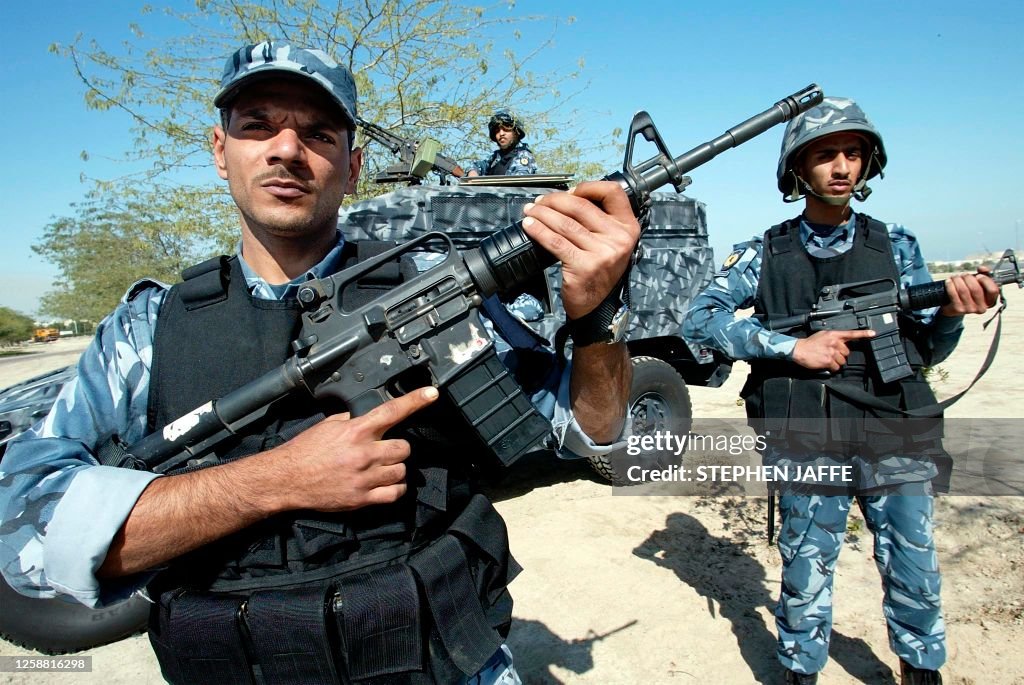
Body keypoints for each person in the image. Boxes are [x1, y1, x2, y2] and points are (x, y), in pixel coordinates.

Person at [0, 41, 639, 685]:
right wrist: (275, 480)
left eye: (318, 132)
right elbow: (25, 535)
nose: (286, 149)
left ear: (353, 166)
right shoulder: (148, 330)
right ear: (220, 151)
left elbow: (593, 431)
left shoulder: (429, 291)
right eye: (257, 126)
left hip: (442, 664)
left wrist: (595, 319)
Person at [682, 97, 999, 685]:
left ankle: (920, 668)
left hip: (892, 423)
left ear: (868, 163)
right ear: (798, 170)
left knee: (913, 561)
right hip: (810, 435)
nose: (841, 166)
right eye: (825, 154)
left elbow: (924, 351)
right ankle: (802, 669)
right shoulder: (766, 251)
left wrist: (952, 314)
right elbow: (699, 318)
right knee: (807, 565)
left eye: (853, 153)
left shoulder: (895, 245)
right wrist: (791, 348)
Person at [466, 110, 537, 177]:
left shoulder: (523, 155)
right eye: (497, 131)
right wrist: (472, 172)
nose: (501, 133)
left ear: (516, 133)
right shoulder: (496, 157)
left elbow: (516, 184)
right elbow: (477, 166)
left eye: (506, 129)